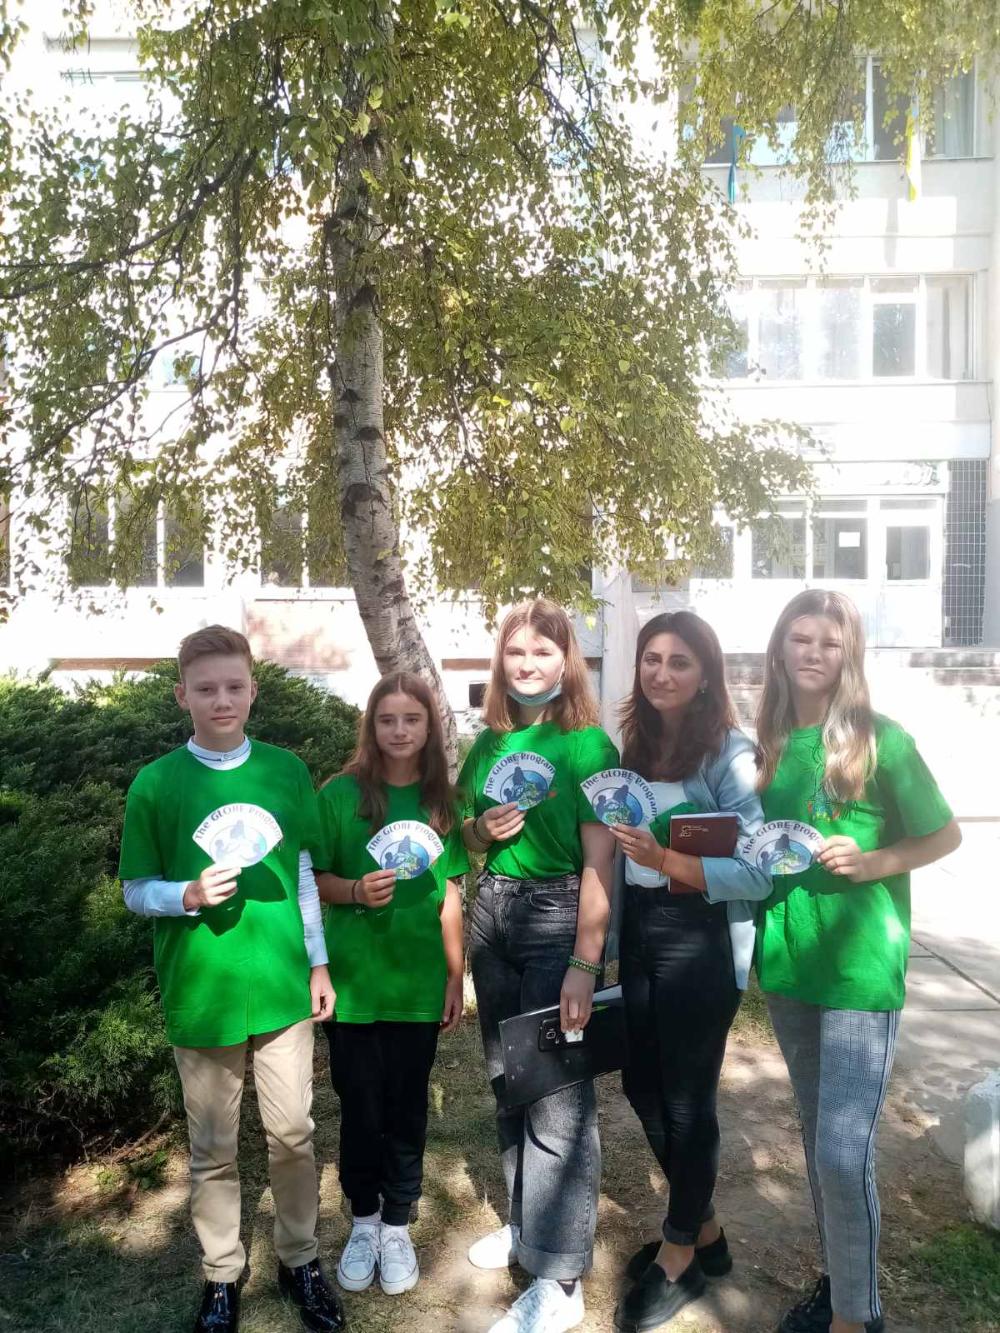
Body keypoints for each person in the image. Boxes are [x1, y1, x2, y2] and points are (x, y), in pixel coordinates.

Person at [118, 626, 344, 1333]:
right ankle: (221, 1273)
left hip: (282, 985)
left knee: (294, 1134)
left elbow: (303, 875)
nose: (222, 700)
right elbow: (134, 890)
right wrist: (184, 894)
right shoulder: (157, 783)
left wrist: (318, 962)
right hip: (202, 989)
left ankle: (300, 1259)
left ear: (253, 691)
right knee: (212, 1148)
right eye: (206, 688)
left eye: (235, 686)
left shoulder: (285, 771)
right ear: (181, 695)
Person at [755, 590, 961, 1333]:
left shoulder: (883, 740)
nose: (813, 652)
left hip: (860, 973)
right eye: (800, 638)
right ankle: (840, 1283)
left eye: (829, 642)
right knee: (819, 1144)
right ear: (780, 649)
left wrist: (875, 861)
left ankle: (857, 1317)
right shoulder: (769, 744)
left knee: (844, 1152)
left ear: (849, 655)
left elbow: (944, 835)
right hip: (790, 964)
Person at [606, 611, 772, 1333]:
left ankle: (679, 1255)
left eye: (679, 661)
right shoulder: (636, 745)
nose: (662, 672)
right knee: (639, 1082)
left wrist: (666, 859)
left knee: (686, 1099)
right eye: (652, 658)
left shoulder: (729, 753)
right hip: (643, 932)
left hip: (700, 938)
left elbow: (759, 870)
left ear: (706, 674)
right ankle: (704, 1230)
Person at [460, 598, 618, 1333]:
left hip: (558, 919)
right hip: (492, 913)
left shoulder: (587, 745)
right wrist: (479, 828)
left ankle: (561, 1278)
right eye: (516, 651)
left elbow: (600, 864)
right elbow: (465, 835)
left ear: (566, 661)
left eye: (543, 652)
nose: (527, 664)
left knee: (557, 1095)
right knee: (508, 1082)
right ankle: (527, 1225)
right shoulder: (490, 744)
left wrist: (586, 961)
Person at [313, 673, 467, 1299]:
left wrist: (456, 975)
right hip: (354, 985)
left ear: (429, 727)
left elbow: (450, 894)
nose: (399, 731)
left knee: (406, 1105)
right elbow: (313, 880)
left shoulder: (442, 802)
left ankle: (398, 1222)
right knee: (360, 1105)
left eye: (412, 719)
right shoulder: (339, 795)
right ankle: (363, 1220)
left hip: (417, 985)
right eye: (387, 719)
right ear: (370, 726)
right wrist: (354, 890)